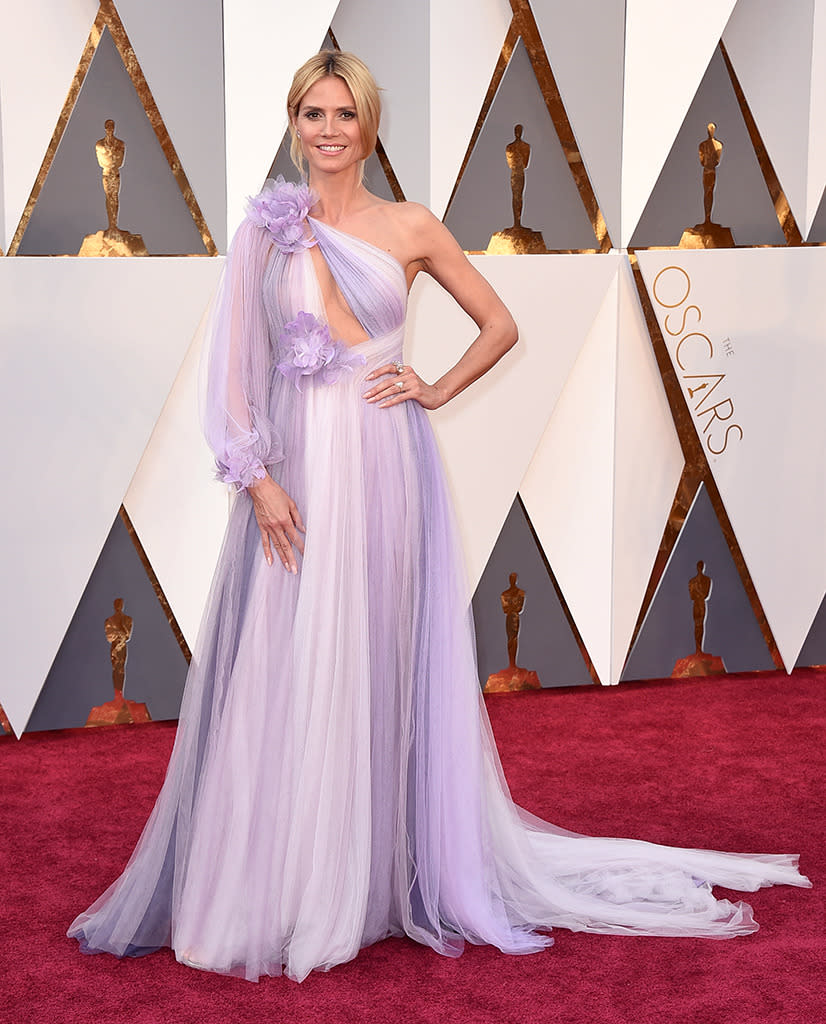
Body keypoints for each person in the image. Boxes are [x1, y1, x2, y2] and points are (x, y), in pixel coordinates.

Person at [68, 51, 809, 983]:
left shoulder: (411, 225)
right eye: (311, 112)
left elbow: (499, 324)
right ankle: (280, 884)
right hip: (295, 469)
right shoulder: (266, 228)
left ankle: (369, 879)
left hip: (385, 467)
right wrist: (255, 479)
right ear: (293, 122)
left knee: (372, 657)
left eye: (344, 113)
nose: (327, 129)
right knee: (288, 663)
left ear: (370, 126)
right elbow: (234, 373)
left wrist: (433, 386)